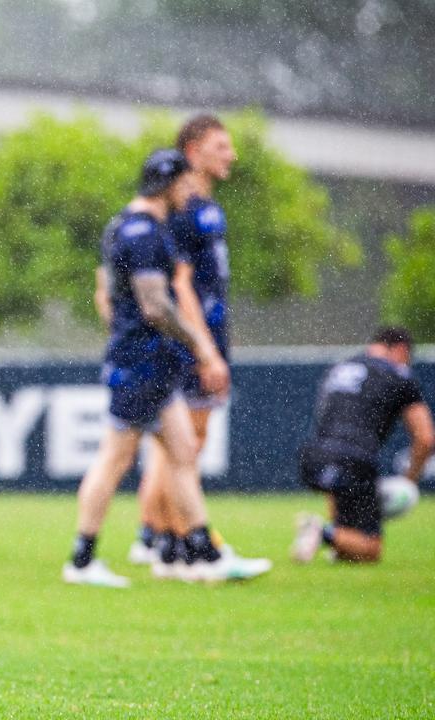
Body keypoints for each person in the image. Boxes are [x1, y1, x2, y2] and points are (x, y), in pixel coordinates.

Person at [67, 148, 267, 588]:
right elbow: (156, 305)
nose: (190, 193)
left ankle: (201, 551)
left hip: (149, 362)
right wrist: (200, 343)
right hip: (142, 363)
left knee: (181, 454)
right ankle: (81, 560)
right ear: (170, 184)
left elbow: (106, 295)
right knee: (114, 460)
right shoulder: (144, 233)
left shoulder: (123, 222)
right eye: (185, 184)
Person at [125, 115, 269, 580]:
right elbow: (182, 286)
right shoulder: (182, 210)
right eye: (221, 146)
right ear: (193, 150)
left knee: (179, 446)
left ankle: (163, 541)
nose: (231, 155)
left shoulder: (205, 205)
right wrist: (205, 348)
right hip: (192, 341)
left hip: (205, 336)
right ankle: (169, 540)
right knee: (183, 446)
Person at [292, 327, 434, 563]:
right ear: (400, 350)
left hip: (313, 457)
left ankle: (338, 541)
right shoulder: (399, 374)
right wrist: (409, 482)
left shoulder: (340, 367)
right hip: (355, 460)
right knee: (371, 549)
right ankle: (322, 531)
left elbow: (328, 422)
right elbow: (425, 438)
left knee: (342, 489)